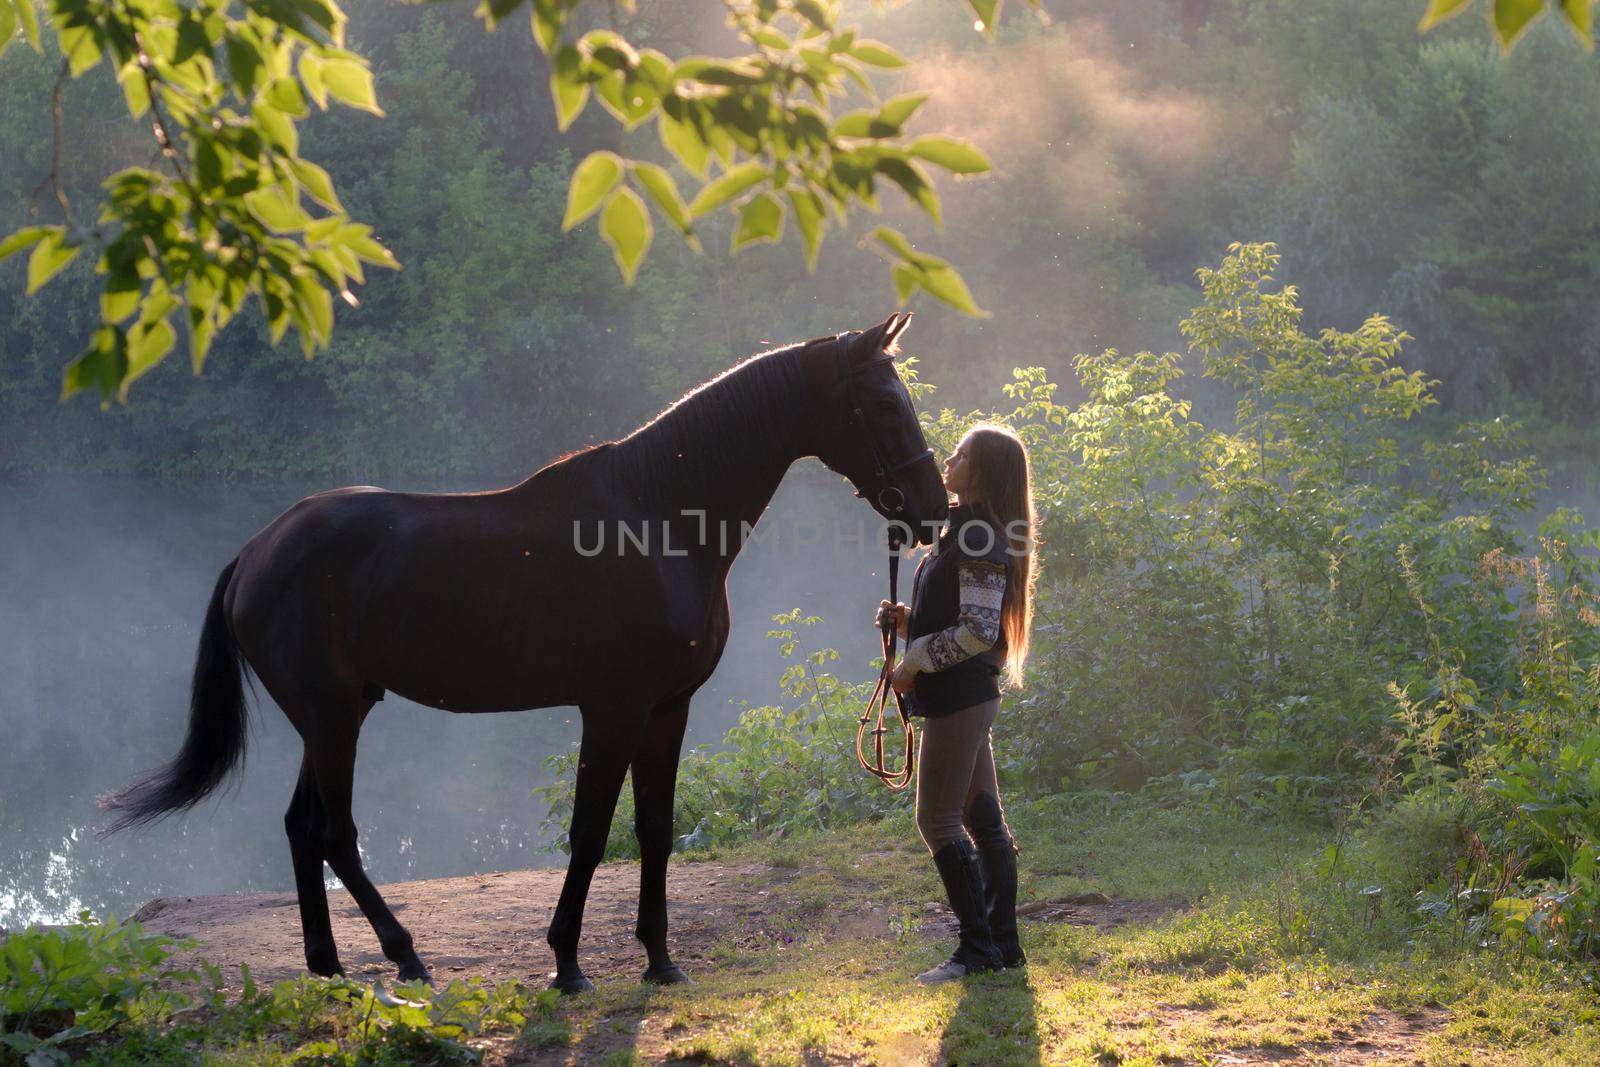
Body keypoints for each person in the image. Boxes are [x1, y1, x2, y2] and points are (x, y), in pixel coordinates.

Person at [877, 423, 1037, 986]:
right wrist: (909, 622)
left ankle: (976, 950)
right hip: (965, 695)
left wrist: (914, 657)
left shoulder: (977, 538)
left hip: (960, 698)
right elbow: (965, 622)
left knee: (938, 819)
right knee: (980, 817)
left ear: (984, 469)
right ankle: (1003, 945)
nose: (949, 458)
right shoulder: (965, 533)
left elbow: (976, 631)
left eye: (962, 454)